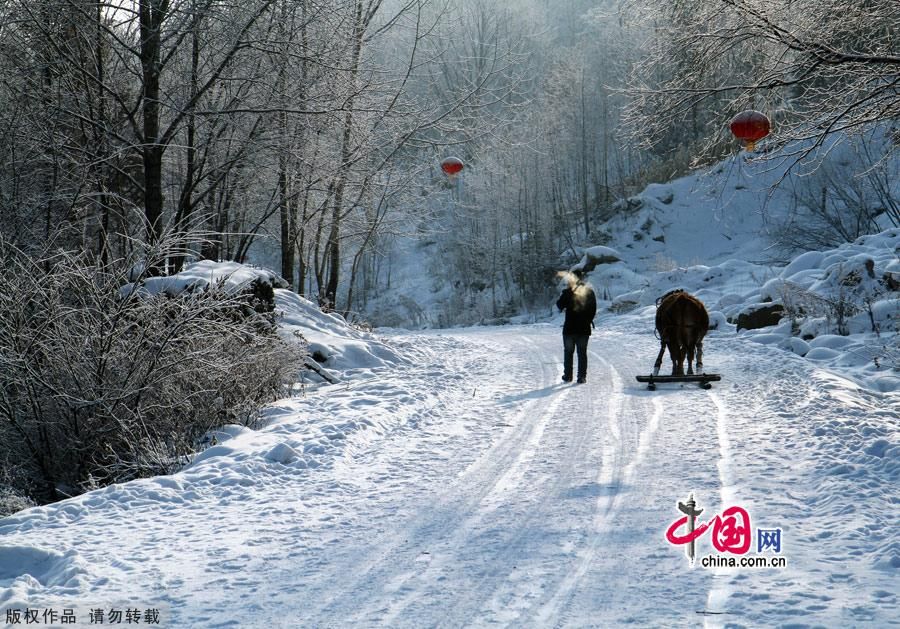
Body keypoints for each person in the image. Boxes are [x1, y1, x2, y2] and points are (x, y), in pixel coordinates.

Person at [556, 270, 597, 384]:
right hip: (584, 329)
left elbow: (559, 305)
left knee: (568, 353)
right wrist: (587, 321)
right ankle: (582, 377)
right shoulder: (589, 292)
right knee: (582, 353)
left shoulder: (568, 292)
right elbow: (593, 309)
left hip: (569, 328)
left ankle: (568, 376)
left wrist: (566, 292)